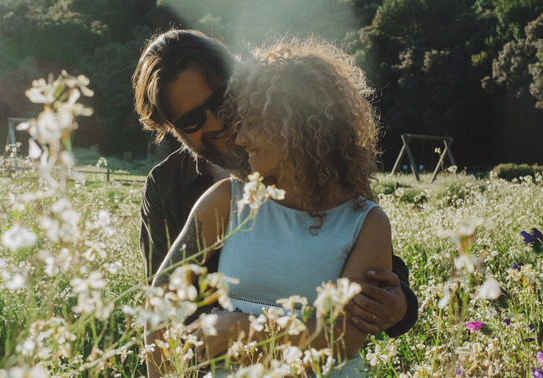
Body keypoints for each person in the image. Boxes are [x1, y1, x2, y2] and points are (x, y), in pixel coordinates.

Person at [140, 39, 392, 378]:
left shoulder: (366, 220)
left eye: (247, 118)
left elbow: (342, 339)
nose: (234, 132)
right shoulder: (220, 199)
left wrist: (244, 330)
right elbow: (160, 301)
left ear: (297, 125)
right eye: (193, 120)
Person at [133, 29, 418, 338]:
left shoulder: (297, 158)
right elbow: (163, 300)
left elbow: (357, 238)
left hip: (316, 374)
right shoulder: (165, 186)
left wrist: (400, 305)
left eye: (219, 101)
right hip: (212, 373)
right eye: (192, 121)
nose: (215, 123)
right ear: (172, 129)